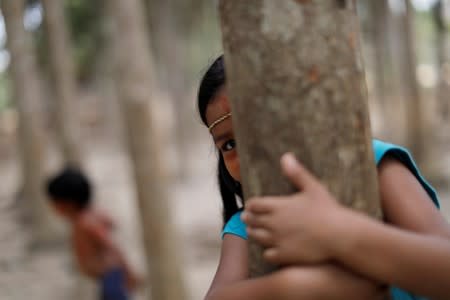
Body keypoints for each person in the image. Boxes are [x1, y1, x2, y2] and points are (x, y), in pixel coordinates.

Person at [198, 55, 450, 300]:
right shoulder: (252, 222)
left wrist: (337, 231)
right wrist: (292, 288)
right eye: (230, 144)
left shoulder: (371, 165)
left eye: (262, 129)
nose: (250, 155)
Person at [46, 167, 141, 300]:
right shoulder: (91, 217)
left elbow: (111, 246)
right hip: (105, 278)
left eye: (54, 203)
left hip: (110, 278)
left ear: (66, 204)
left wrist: (128, 272)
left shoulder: (84, 223)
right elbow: (112, 225)